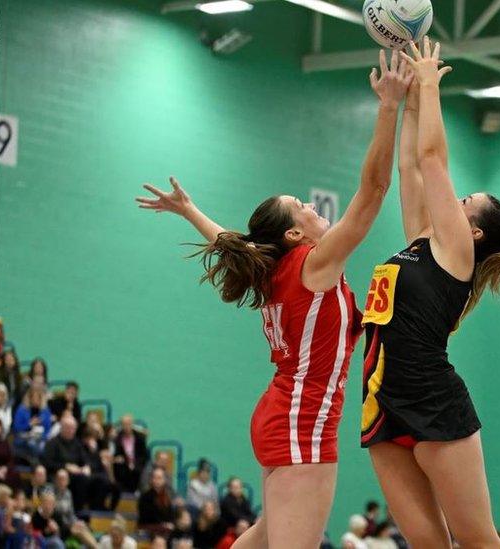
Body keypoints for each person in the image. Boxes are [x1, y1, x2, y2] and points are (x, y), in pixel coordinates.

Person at [136, 48, 413, 548]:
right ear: (292, 236)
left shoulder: (272, 268)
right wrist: (389, 105)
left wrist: (190, 210)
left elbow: (231, 242)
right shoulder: (313, 264)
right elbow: (372, 192)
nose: (310, 205)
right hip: (302, 418)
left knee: (266, 537)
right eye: (301, 206)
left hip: (285, 412)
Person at [361, 38, 500, 549]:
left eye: (466, 200)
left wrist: (431, 84)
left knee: (479, 541)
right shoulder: (420, 243)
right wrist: (405, 99)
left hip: (433, 401)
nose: (454, 197)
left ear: (473, 231)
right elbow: (411, 167)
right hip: (381, 404)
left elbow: (432, 160)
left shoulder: (456, 252)